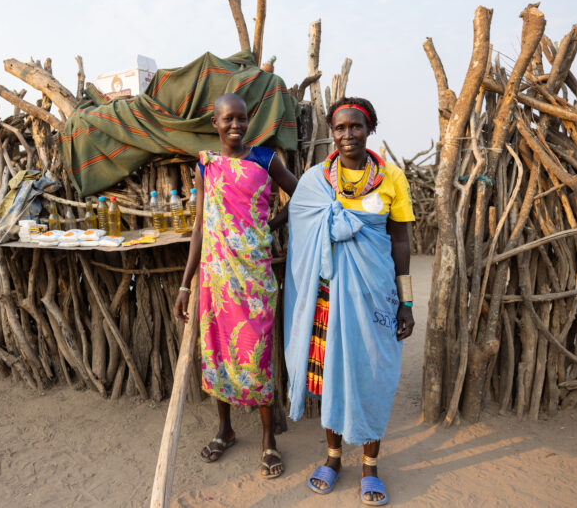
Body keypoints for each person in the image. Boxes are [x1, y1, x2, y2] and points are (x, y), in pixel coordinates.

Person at [283, 97, 415, 505]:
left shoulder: (392, 178)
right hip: (328, 295)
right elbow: (299, 222)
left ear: (369, 129)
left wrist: (406, 303)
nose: (347, 134)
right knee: (330, 376)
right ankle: (333, 458)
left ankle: (370, 467)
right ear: (331, 132)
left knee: (372, 373)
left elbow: (400, 240)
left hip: (376, 293)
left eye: (355, 126)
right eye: (339, 127)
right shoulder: (317, 180)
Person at [174, 93, 298, 479]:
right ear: (215, 122)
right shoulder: (206, 165)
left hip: (254, 278)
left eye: (241, 118)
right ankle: (225, 429)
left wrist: (269, 226)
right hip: (215, 278)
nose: (236, 125)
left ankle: (268, 439)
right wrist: (185, 285)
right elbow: (200, 226)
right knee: (216, 353)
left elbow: (301, 195)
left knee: (256, 354)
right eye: (228, 119)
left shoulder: (265, 159)